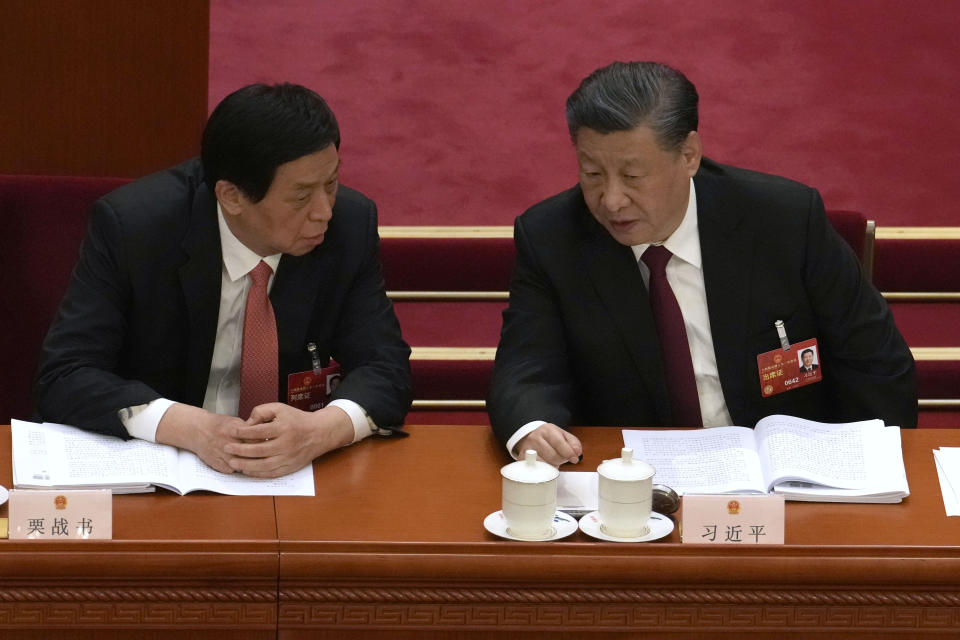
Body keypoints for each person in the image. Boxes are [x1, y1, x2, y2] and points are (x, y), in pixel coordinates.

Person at [487, 61, 916, 466]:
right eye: (593, 174)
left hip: (787, 477)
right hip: (632, 484)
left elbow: (874, 362)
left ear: (689, 154)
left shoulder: (783, 221)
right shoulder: (551, 238)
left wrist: (869, 476)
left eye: (633, 177)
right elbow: (525, 368)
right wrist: (533, 427)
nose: (612, 200)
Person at [35, 83, 412, 478]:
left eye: (331, 184)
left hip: (289, 477)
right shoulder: (135, 229)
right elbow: (66, 374)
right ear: (231, 197)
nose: (324, 212)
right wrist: (191, 427)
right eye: (301, 196)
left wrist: (321, 430)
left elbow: (386, 367)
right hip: (164, 472)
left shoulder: (350, 226)